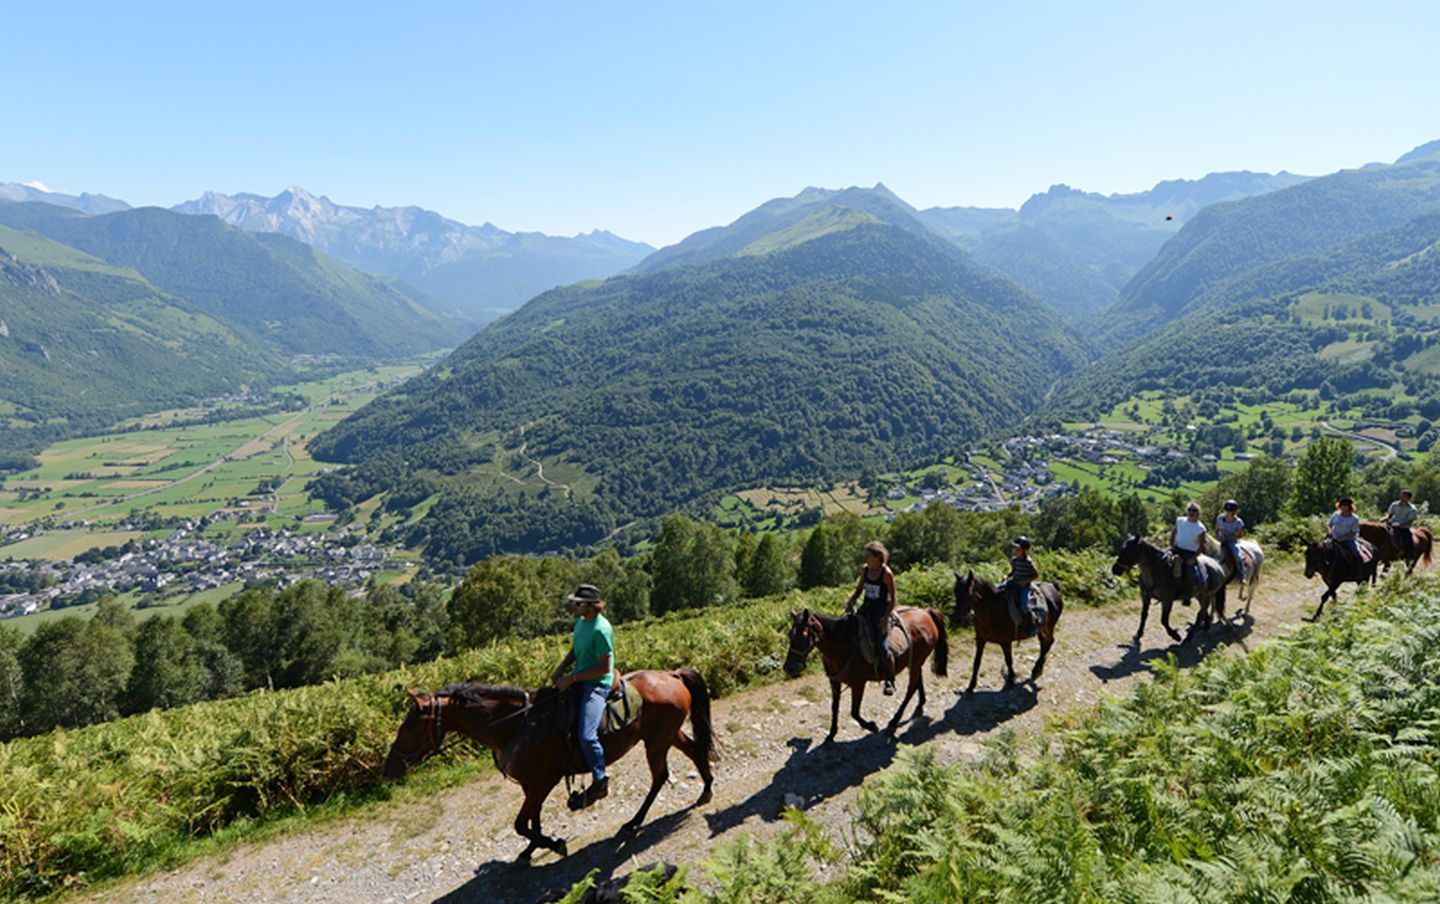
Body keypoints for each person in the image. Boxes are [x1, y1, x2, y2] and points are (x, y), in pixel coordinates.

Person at [551, 583, 614, 809]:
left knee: (587, 736)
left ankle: (600, 779)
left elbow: (604, 668)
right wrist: (561, 669)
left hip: (596, 684)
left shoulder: (601, 629)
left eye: (577, 603)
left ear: (589, 606)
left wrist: (573, 678)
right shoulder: (580, 622)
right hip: (578, 677)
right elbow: (575, 651)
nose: (573, 607)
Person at [845, 540, 898, 696]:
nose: (865, 558)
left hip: (880, 613)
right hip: (866, 609)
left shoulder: (886, 574)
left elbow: (893, 599)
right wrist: (851, 601)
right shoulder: (865, 570)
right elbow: (860, 588)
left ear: (877, 556)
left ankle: (890, 679)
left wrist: (885, 618)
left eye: (868, 555)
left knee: (882, 647)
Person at [1169, 502, 1207, 605]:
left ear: (1198, 513)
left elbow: (1201, 546)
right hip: (1177, 549)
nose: (1191, 512)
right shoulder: (1180, 521)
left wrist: (1193, 558)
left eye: (1194, 510)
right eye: (1189, 510)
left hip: (1189, 553)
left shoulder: (1200, 528)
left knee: (1189, 574)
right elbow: (1173, 533)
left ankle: (1187, 595)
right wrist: (1171, 546)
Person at [1003, 536, 1041, 636]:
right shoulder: (1014, 560)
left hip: (1024, 586)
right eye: (1015, 549)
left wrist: (1026, 582)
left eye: (1018, 549)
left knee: (1025, 606)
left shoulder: (1029, 562)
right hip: (1014, 582)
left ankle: (1031, 626)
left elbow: (1036, 575)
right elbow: (1013, 571)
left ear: (1024, 550)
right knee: (998, 590)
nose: (1015, 551)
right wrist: (1007, 576)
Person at [1215, 500, 1246, 584]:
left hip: (1232, 541)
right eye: (1227, 511)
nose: (1228, 513)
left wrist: (1229, 538)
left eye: (1230, 512)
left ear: (1234, 512)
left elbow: (1240, 535)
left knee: (1237, 556)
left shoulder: (1238, 522)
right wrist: (1218, 536)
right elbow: (1217, 530)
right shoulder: (1219, 518)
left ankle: (1242, 574)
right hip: (1220, 540)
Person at [1383, 489, 1418, 562]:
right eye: (1401, 496)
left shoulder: (1412, 509)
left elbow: (1410, 521)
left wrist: (1399, 524)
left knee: (1408, 541)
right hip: (1391, 524)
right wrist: (1383, 519)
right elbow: (1390, 515)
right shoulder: (1394, 504)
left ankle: (1408, 555)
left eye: (1404, 496)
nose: (1401, 497)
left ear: (1408, 498)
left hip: (1403, 528)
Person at [1328, 496, 1361, 569]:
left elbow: (1353, 532)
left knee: (1356, 553)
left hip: (1348, 540)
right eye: (1342, 505)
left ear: (1349, 507)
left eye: (1345, 506)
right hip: (1334, 538)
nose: (1343, 507)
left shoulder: (1354, 518)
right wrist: (1330, 532)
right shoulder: (1336, 514)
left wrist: (1343, 539)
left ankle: (1358, 570)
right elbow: (1329, 524)